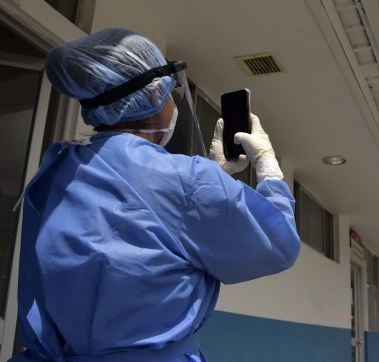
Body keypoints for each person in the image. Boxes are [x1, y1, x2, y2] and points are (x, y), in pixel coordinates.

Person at [10, 28, 301, 362]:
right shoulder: (187, 179)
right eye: (170, 89)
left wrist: (213, 181)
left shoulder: (55, 171)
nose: (175, 98)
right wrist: (268, 170)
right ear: (153, 95)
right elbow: (277, 246)